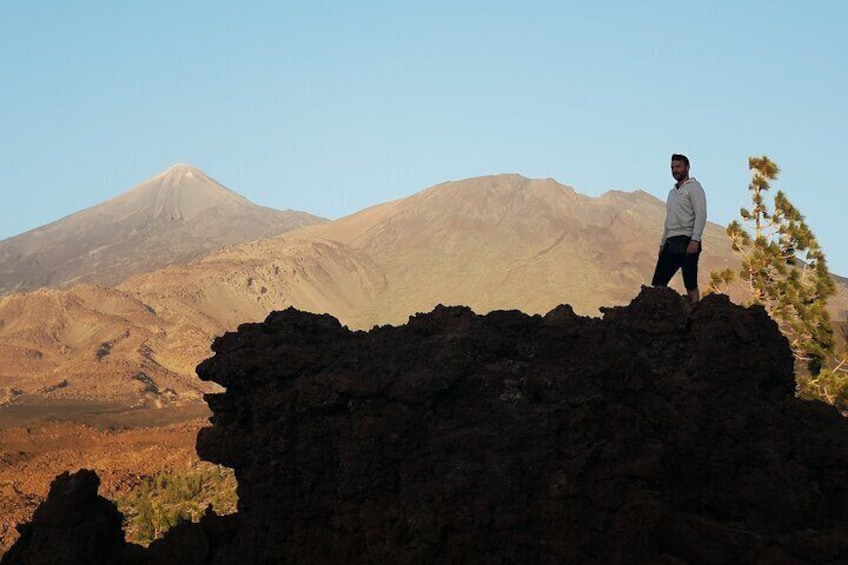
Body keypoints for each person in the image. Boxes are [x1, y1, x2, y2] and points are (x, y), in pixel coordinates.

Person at [651, 153, 707, 304]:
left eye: (678, 166)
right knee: (658, 282)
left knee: (690, 282)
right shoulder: (672, 193)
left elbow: (701, 215)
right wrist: (663, 243)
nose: (675, 170)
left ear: (687, 167)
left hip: (688, 240)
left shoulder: (695, 189)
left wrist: (695, 240)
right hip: (671, 241)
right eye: (672, 167)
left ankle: (696, 313)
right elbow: (668, 220)